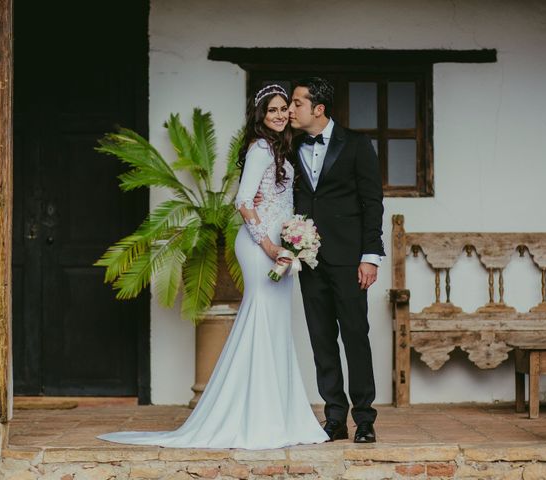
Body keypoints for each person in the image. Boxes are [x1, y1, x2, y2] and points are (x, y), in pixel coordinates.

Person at [97, 84, 329, 449]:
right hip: (258, 247)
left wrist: (294, 239)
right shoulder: (259, 149)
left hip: (282, 246)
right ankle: (256, 416)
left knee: (276, 327)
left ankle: (279, 413)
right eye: (273, 110)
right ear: (260, 116)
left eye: (284, 108)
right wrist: (268, 245)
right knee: (262, 321)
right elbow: (243, 202)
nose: (281, 114)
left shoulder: (281, 148)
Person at [289, 77, 385, 443]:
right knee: (321, 338)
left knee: (356, 336)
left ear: (318, 109)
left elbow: (371, 202)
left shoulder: (357, 145)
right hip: (309, 259)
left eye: (298, 103)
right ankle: (334, 416)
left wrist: (371, 256)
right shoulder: (292, 147)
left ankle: (365, 418)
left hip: (349, 260)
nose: (292, 109)